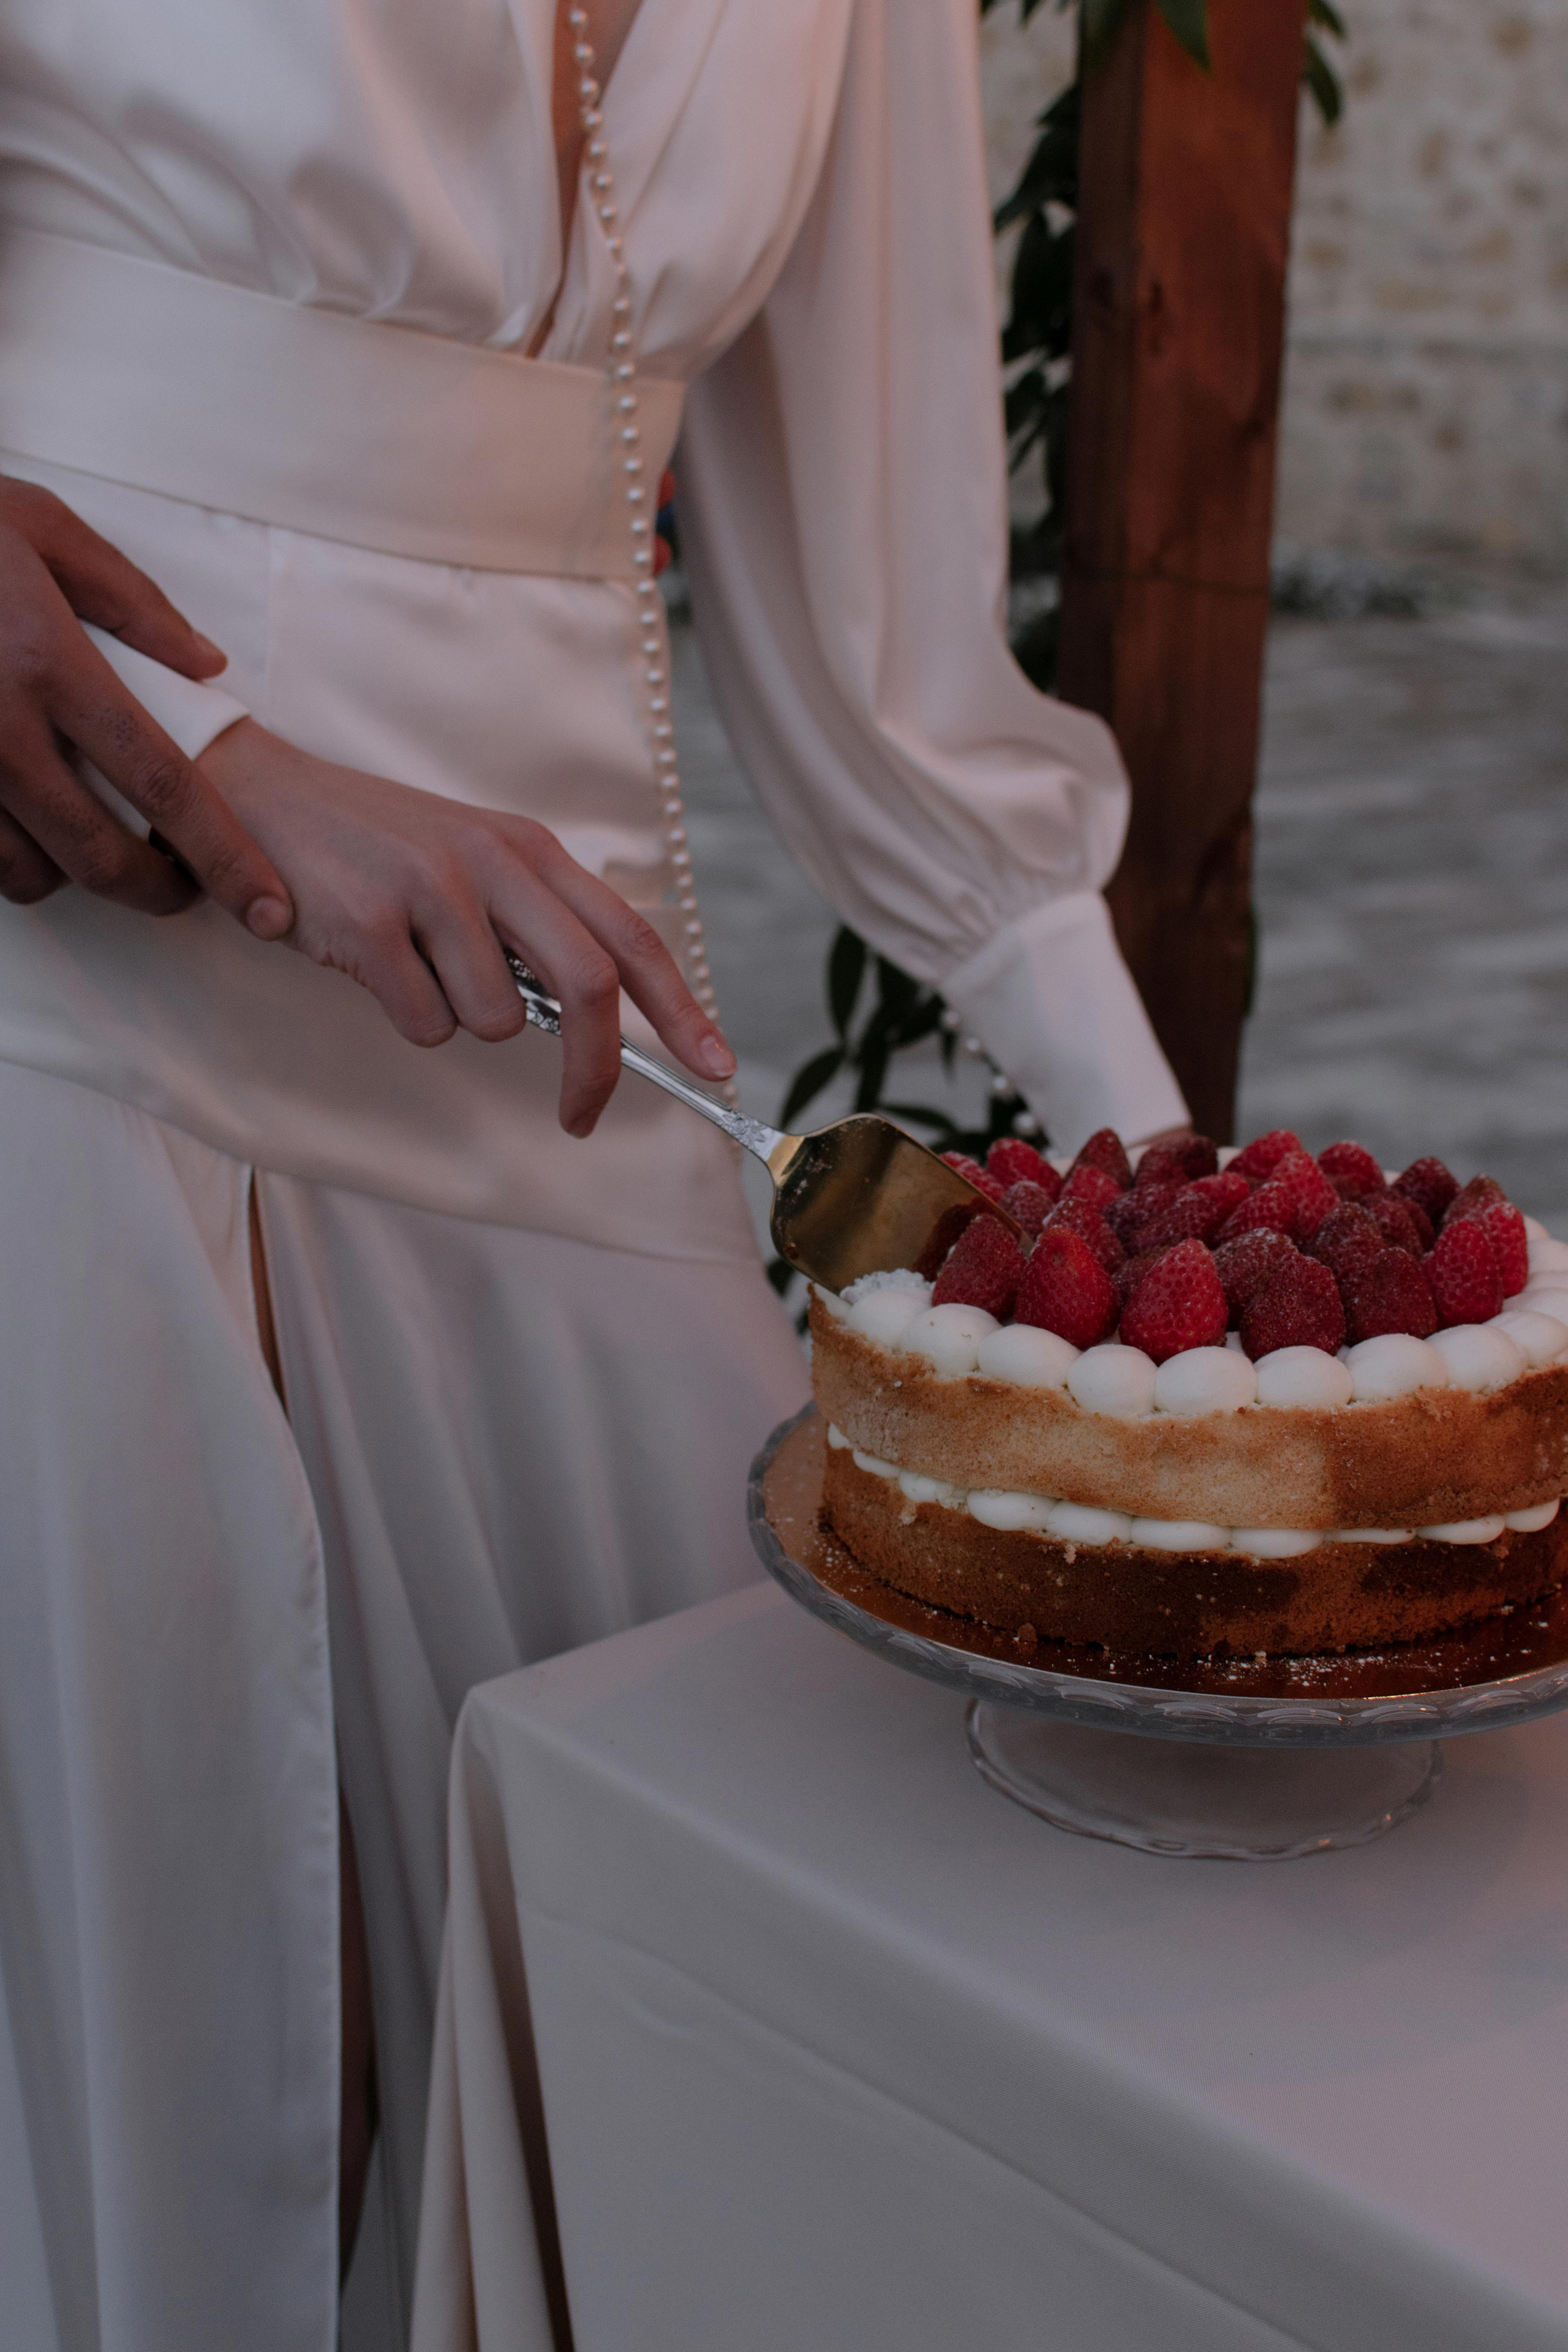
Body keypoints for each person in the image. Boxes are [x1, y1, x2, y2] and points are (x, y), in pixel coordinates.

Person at [0, 1, 1189, 2345]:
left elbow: (893, 669)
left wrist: (1172, 1180)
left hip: (574, 1054)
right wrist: (233, 766)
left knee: (709, 2031)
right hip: (59, 929)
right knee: (165, 2068)